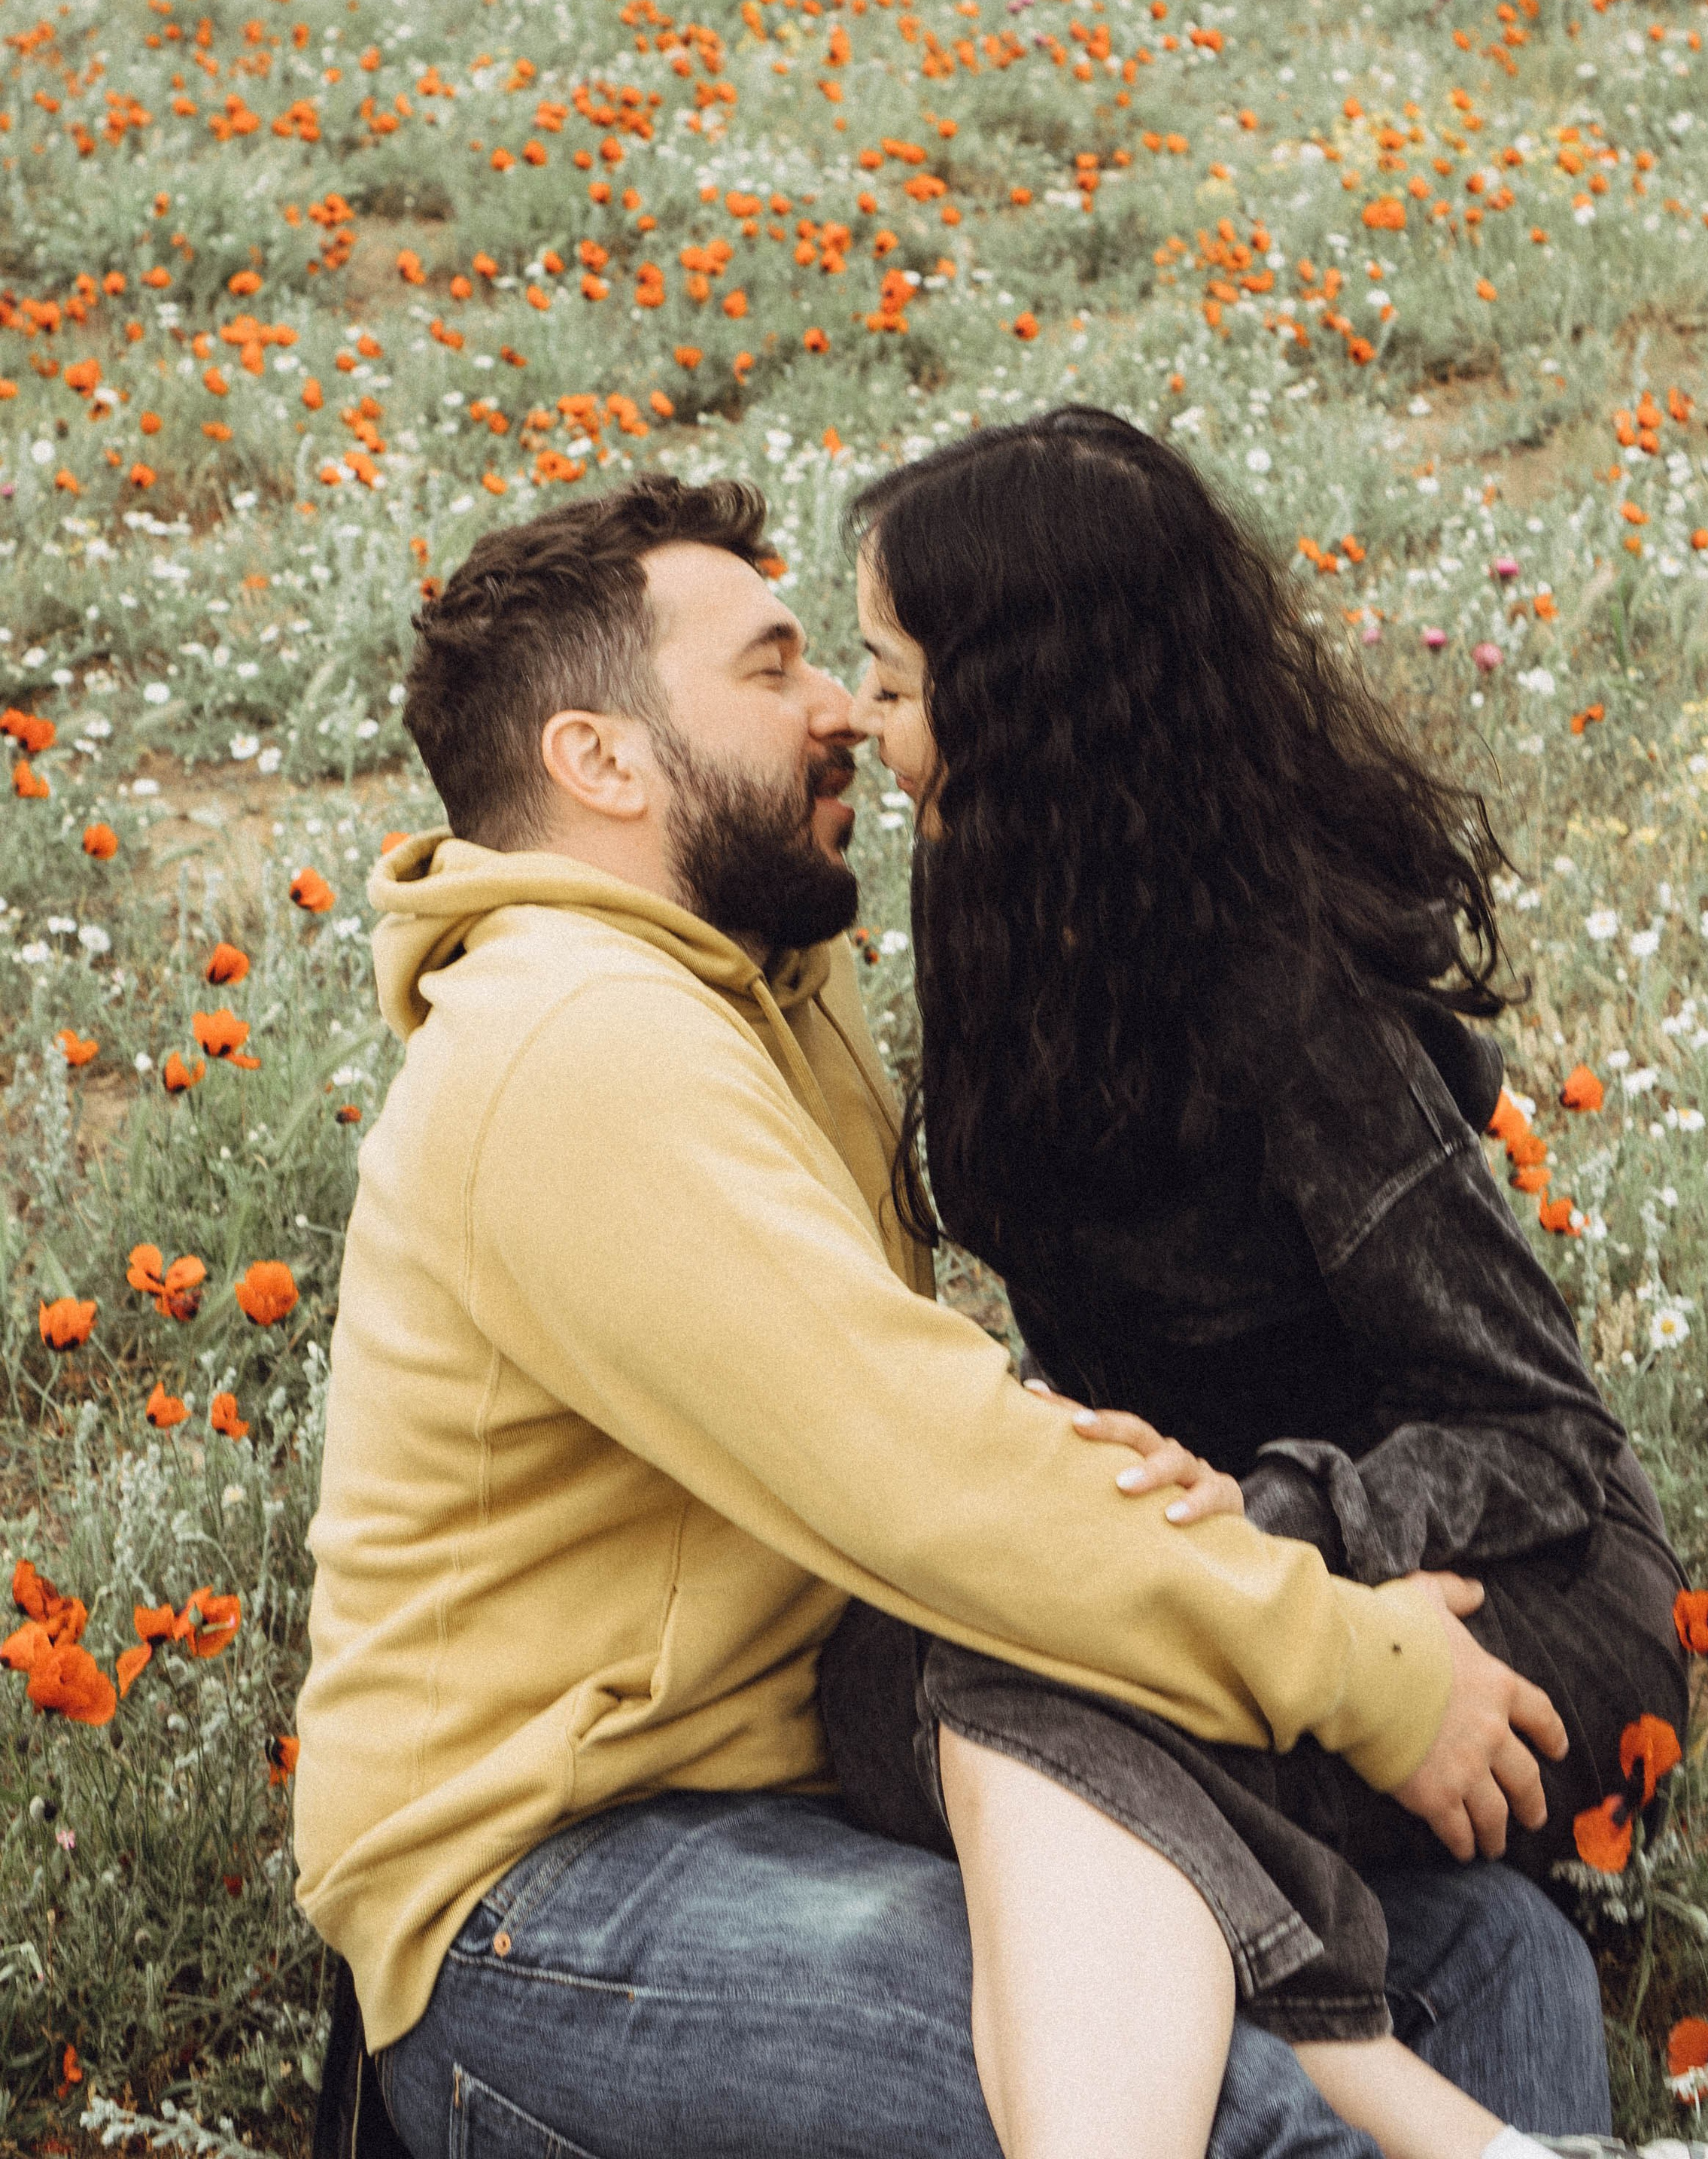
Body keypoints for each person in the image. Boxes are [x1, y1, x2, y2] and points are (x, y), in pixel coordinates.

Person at [294, 470, 1614, 2159]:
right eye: (774, 669)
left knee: (1492, 1959)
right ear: (600, 760)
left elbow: (892, 1417)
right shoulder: (575, 1047)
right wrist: (1357, 1665)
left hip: (812, 1792)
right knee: (1220, 2104)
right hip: (552, 1899)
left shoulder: (759, 988)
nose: (845, 706)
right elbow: (925, 1469)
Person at [828, 406, 1691, 2159]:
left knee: (1004, 1705)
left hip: (1489, 1592)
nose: (860, 716)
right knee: (869, 1675)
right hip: (1210, 1582)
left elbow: (1538, 1433)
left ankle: (1373, 2089)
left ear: (1029, 712)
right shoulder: (988, 889)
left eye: (891, 678)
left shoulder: (1283, 988)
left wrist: (1281, 1518)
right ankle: (1413, 2093)